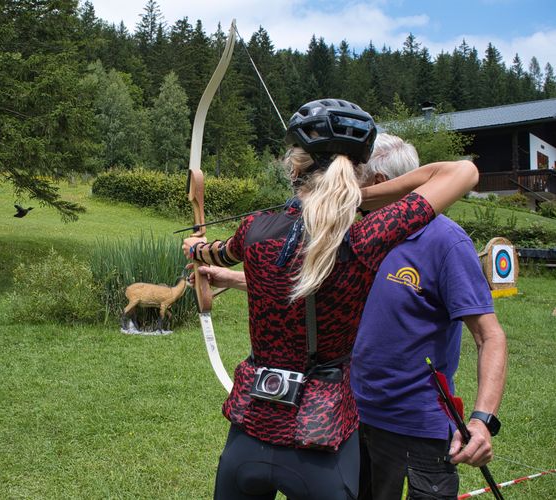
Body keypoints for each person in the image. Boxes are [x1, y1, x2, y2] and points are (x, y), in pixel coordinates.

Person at [183, 99, 479, 500]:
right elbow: (462, 171)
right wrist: (359, 195)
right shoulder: (365, 238)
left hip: (249, 431)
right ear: (357, 171)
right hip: (322, 442)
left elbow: (219, 251)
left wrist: (197, 248)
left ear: (294, 166)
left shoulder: (254, 229)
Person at [351, 134, 507, 500]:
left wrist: (482, 421)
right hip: (352, 416)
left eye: (354, 179)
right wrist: (227, 274)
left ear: (378, 185)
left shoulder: (446, 242)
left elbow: (490, 337)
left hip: (418, 427)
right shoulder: (362, 237)